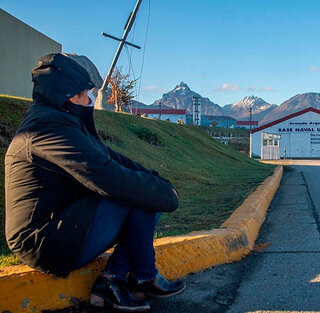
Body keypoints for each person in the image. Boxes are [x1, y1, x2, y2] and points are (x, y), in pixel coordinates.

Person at [4, 53, 185, 312]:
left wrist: (158, 181)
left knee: (145, 190)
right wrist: (166, 195)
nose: (89, 100)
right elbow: (107, 176)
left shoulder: (62, 121)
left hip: (65, 221)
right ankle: (134, 277)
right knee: (136, 194)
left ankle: (130, 278)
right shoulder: (46, 129)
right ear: (68, 95)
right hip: (41, 241)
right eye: (85, 93)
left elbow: (110, 158)